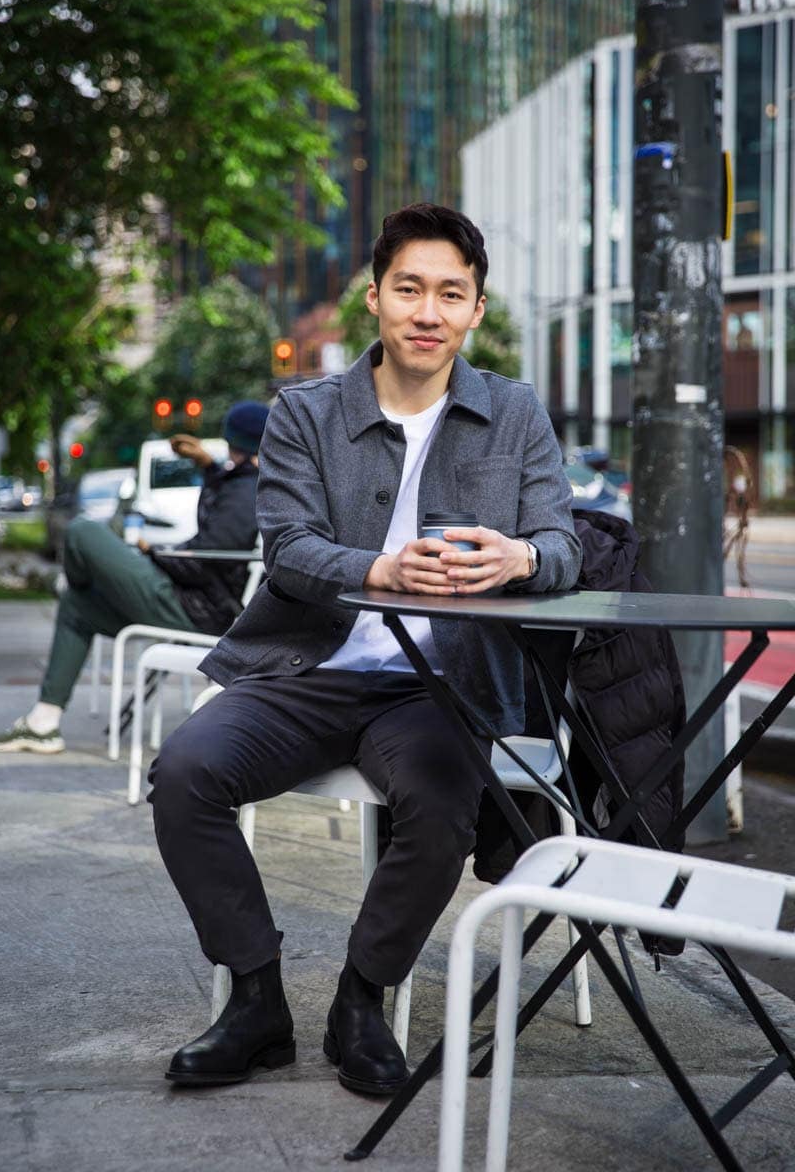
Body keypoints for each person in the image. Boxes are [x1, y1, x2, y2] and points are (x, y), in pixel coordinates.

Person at [148, 203, 582, 1096]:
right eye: (410, 289)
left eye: (451, 294)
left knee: (441, 804)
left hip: (439, 686)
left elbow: (565, 544)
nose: (429, 312)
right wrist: (382, 567)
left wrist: (524, 555)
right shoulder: (305, 411)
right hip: (305, 668)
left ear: (476, 311)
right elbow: (290, 549)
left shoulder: (516, 413)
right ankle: (256, 1001)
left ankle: (362, 998)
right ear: (376, 299)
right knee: (186, 771)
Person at [0, 401, 268, 755]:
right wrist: (208, 466)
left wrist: (153, 553)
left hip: (194, 609)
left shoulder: (247, 490)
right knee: (78, 606)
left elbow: (204, 562)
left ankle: (80, 578)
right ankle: (43, 723)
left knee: (82, 530)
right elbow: (217, 534)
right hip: (187, 600)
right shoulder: (243, 483)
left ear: (235, 443)